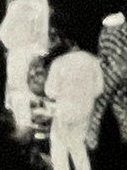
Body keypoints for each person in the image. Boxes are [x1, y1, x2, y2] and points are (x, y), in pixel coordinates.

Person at [0, 0, 50, 138]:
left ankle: (24, 126)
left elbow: (8, 29)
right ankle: (37, 122)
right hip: (36, 49)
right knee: (33, 85)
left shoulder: (19, 2)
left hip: (19, 50)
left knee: (18, 87)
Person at [45, 37, 105, 170]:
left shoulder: (59, 63)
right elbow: (99, 89)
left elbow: (50, 91)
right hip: (85, 109)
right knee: (78, 145)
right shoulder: (94, 61)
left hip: (64, 109)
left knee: (59, 145)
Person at [87, 11, 127, 149]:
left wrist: (100, 70)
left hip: (110, 72)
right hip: (126, 71)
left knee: (99, 104)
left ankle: (91, 140)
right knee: (120, 102)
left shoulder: (106, 33)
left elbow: (102, 55)